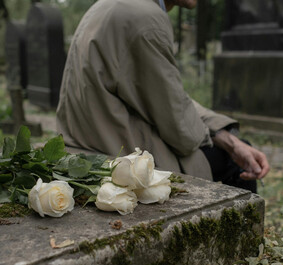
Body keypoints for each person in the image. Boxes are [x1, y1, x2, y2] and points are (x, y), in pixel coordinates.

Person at [56, 0, 270, 193]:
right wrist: (231, 143)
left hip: (92, 146)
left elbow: (169, 99)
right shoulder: (145, 19)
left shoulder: (109, 6)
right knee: (236, 162)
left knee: (236, 146)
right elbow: (183, 133)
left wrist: (228, 138)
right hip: (120, 158)